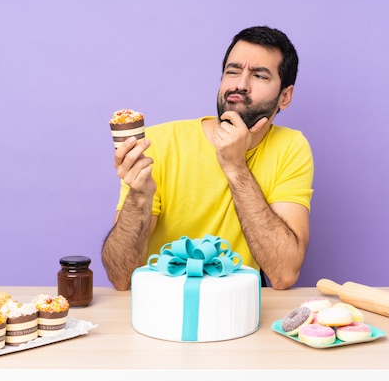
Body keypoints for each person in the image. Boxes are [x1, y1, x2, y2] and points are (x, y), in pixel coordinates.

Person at [102, 26, 314, 291]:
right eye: (233, 71)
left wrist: (236, 167)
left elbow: (283, 274)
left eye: (259, 75)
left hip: (236, 308)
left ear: (285, 96)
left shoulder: (290, 147)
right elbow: (121, 277)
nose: (240, 85)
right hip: (161, 303)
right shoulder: (158, 144)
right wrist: (139, 197)